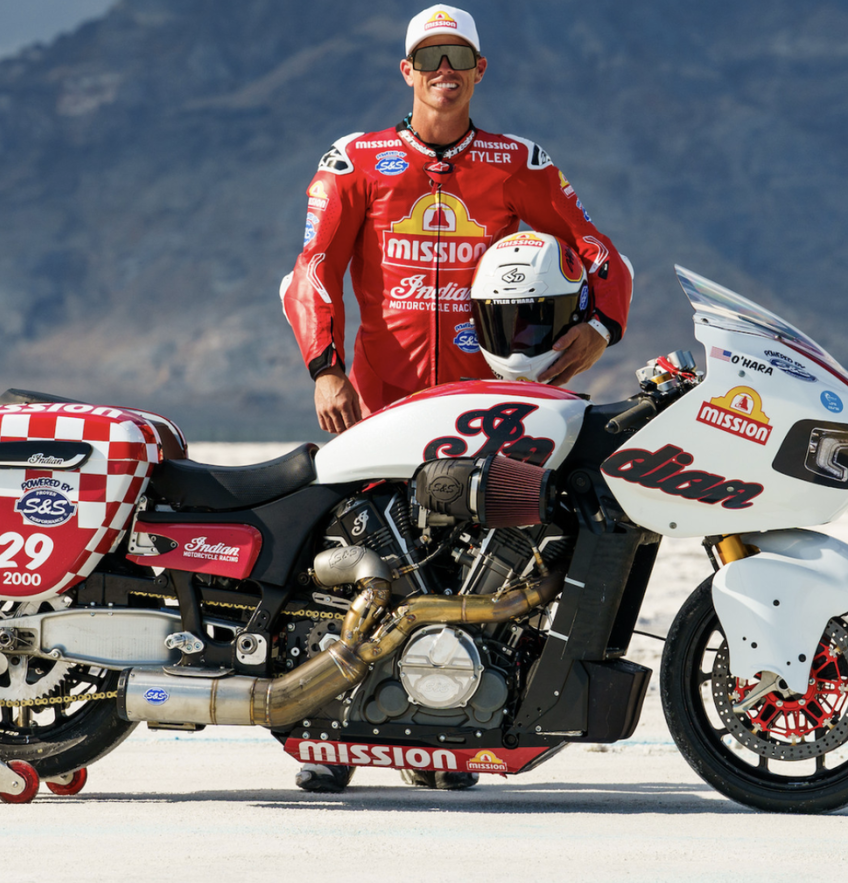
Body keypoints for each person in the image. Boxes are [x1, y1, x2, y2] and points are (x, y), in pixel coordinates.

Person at [279, 4, 633, 793]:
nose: (444, 70)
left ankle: (439, 734)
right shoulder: (354, 160)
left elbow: (598, 249)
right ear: (406, 71)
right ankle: (326, 737)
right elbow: (311, 270)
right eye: (429, 57)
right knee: (357, 562)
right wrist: (324, 368)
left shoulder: (518, 162)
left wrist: (603, 325)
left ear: (480, 71)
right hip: (377, 400)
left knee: (465, 564)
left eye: (459, 57)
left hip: (482, 404)